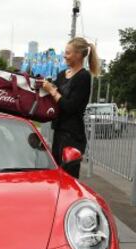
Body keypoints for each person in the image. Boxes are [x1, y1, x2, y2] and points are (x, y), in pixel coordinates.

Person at [42, 37, 100, 178]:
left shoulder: (83, 77)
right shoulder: (62, 74)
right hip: (59, 132)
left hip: (72, 136)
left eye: (68, 53)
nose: (64, 56)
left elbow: (70, 107)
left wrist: (53, 91)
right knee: (56, 176)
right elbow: (50, 97)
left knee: (68, 178)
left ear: (78, 55)